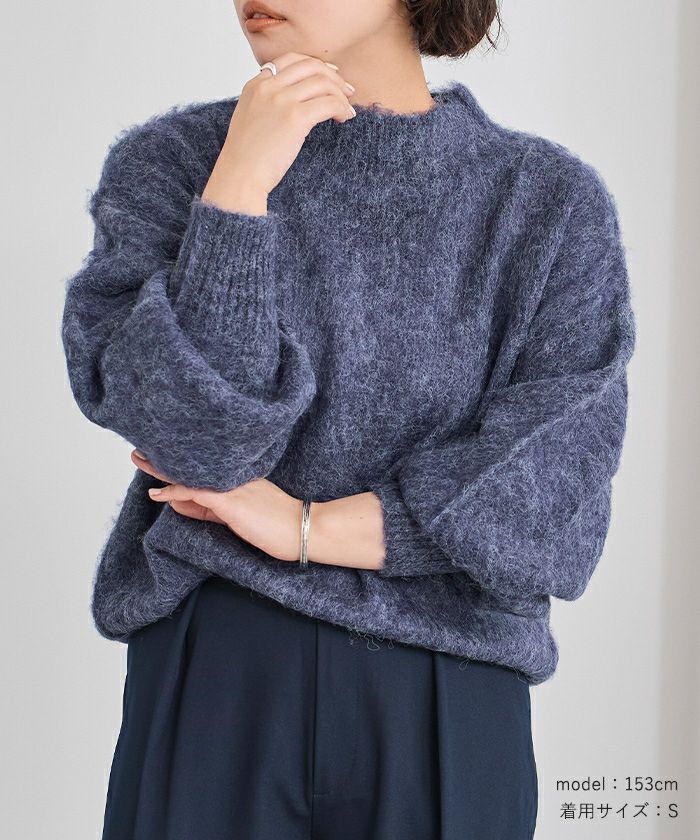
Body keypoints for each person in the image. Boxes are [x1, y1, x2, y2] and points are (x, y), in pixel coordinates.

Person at [61, 1, 636, 838]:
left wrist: (307, 526)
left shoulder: (545, 203)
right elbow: (190, 438)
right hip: (217, 660)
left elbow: (549, 498)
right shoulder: (175, 164)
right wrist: (237, 192)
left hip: (450, 680)